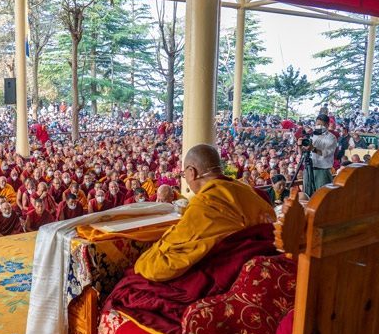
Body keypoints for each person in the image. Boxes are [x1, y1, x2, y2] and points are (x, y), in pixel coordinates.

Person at [133, 144, 276, 281]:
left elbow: (174, 259)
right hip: (263, 260)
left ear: (191, 172)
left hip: (229, 271)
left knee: (134, 281)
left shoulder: (206, 202)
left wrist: (143, 262)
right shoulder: (248, 189)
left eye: (184, 174)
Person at [301, 114, 338, 197]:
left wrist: (312, 148)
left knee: (322, 196)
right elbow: (303, 151)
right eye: (317, 124)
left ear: (327, 125)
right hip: (308, 168)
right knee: (307, 195)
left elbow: (325, 153)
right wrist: (300, 145)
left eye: (321, 125)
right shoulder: (312, 135)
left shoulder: (331, 138)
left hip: (322, 170)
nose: (318, 126)